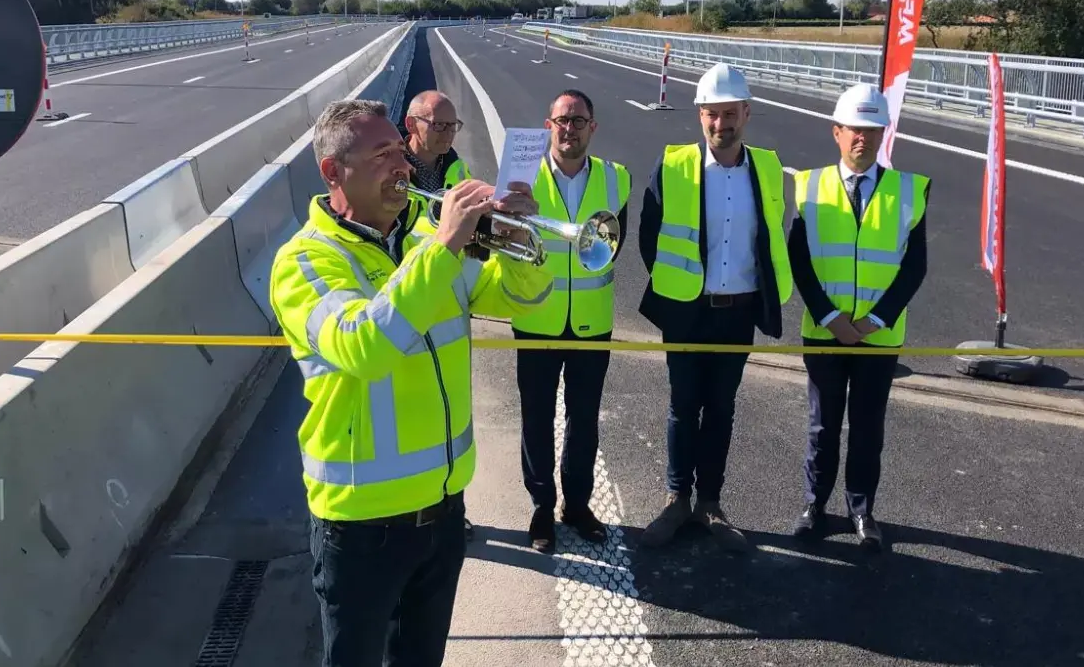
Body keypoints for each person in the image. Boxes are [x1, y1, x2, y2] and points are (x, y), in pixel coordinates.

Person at [268, 98, 553, 666]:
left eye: (400, 151)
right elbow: (364, 346)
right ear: (333, 172)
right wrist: (447, 245)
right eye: (381, 156)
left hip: (444, 513)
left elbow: (525, 300)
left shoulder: (426, 241)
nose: (401, 166)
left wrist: (518, 242)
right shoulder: (304, 262)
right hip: (361, 526)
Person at [636, 63, 793, 553]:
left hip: (738, 310)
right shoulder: (677, 165)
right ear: (700, 116)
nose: (721, 124)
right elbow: (649, 232)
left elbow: (770, 234)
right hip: (687, 308)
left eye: (730, 114)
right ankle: (677, 499)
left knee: (721, 408)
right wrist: (676, 285)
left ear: (746, 113)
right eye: (712, 115)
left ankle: (711, 503)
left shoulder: (766, 168)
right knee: (684, 407)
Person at [786, 83, 930, 552]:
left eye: (872, 130)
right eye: (853, 130)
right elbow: (798, 259)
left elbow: (915, 266)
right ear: (837, 132)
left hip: (877, 337)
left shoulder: (910, 190)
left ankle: (862, 511)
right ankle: (815, 506)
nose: (862, 139)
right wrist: (830, 317)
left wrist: (875, 321)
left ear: (883, 133)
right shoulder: (809, 186)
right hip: (825, 331)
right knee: (822, 426)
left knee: (868, 428)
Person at [512, 89, 631, 554]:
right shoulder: (521, 178)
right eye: (561, 120)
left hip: (591, 322)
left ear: (592, 128)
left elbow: (614, 245)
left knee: (584, 420)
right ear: (549, 126)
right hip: (536, 317)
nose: (569, 129)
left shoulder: (615, 178)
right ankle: (542, 505)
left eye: (578, 120)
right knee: (536, 418)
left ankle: (577, 504)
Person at [402, 90, 481, 539]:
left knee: (453, 415)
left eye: (454, 127)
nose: (450, 134)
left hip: (448, 304)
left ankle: (453, 507)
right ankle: (418, 508)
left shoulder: (456, 169)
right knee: (416, 415)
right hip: (410, 301)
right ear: (413, 125)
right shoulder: (392, 170)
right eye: (441, 126)